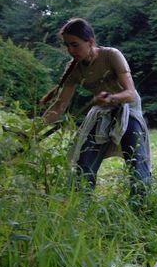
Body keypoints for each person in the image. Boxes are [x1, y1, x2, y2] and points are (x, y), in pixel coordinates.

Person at [42, 17, 151, 201]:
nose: (70, 50)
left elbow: (130, 93)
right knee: (84, 161)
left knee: (136, 159)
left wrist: (111, 97)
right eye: (67, 45)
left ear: (90, 42)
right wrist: (35, 128)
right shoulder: (74, 69)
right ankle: (81, 205)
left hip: (128, 109)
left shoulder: (111, 55)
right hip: (101, 112)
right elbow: (60, 105)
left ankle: (141, 205)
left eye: (75, 45)